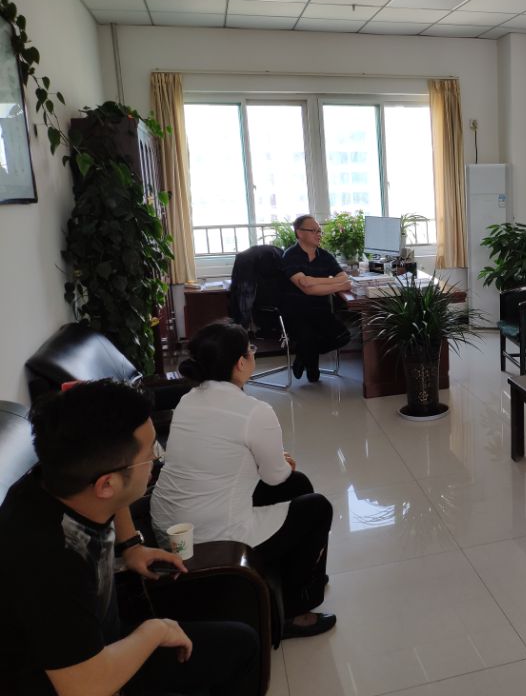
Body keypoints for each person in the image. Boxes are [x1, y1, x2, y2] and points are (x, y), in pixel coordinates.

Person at [0, 379, 259, 696]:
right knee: (241, 647)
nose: (156, 461)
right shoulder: (47, 560)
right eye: (150, 456)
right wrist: (155, 631)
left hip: (102, 633)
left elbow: (115, 494)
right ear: (107, 485)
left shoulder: (61, 476)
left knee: (238, 633)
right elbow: (85, 687)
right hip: (89, 673)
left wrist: (132, 547)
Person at [151, 321, 336, 638]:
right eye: (250, 350)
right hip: (212, 536)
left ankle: (303, 573)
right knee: (317, 507)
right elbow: (276, 476)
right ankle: (295, 612)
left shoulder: (188, 399)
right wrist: (281, 462)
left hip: (169, 527)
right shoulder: (254, 411)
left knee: (299, 485)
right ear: (240, 363)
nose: (253, 354)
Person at [280, 214, 353, 382]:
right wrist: (337, 285)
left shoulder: (325, 256)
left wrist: (313, 281)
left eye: (319, 231)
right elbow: (306, 288)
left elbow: (344, 278)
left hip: (321, 310)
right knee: (308, 339)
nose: (319, 234)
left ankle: (303, 356)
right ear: (299, 233)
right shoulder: (290, 256)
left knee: (344, 336)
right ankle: (309, 359)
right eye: (313, 230)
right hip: (296, 312)